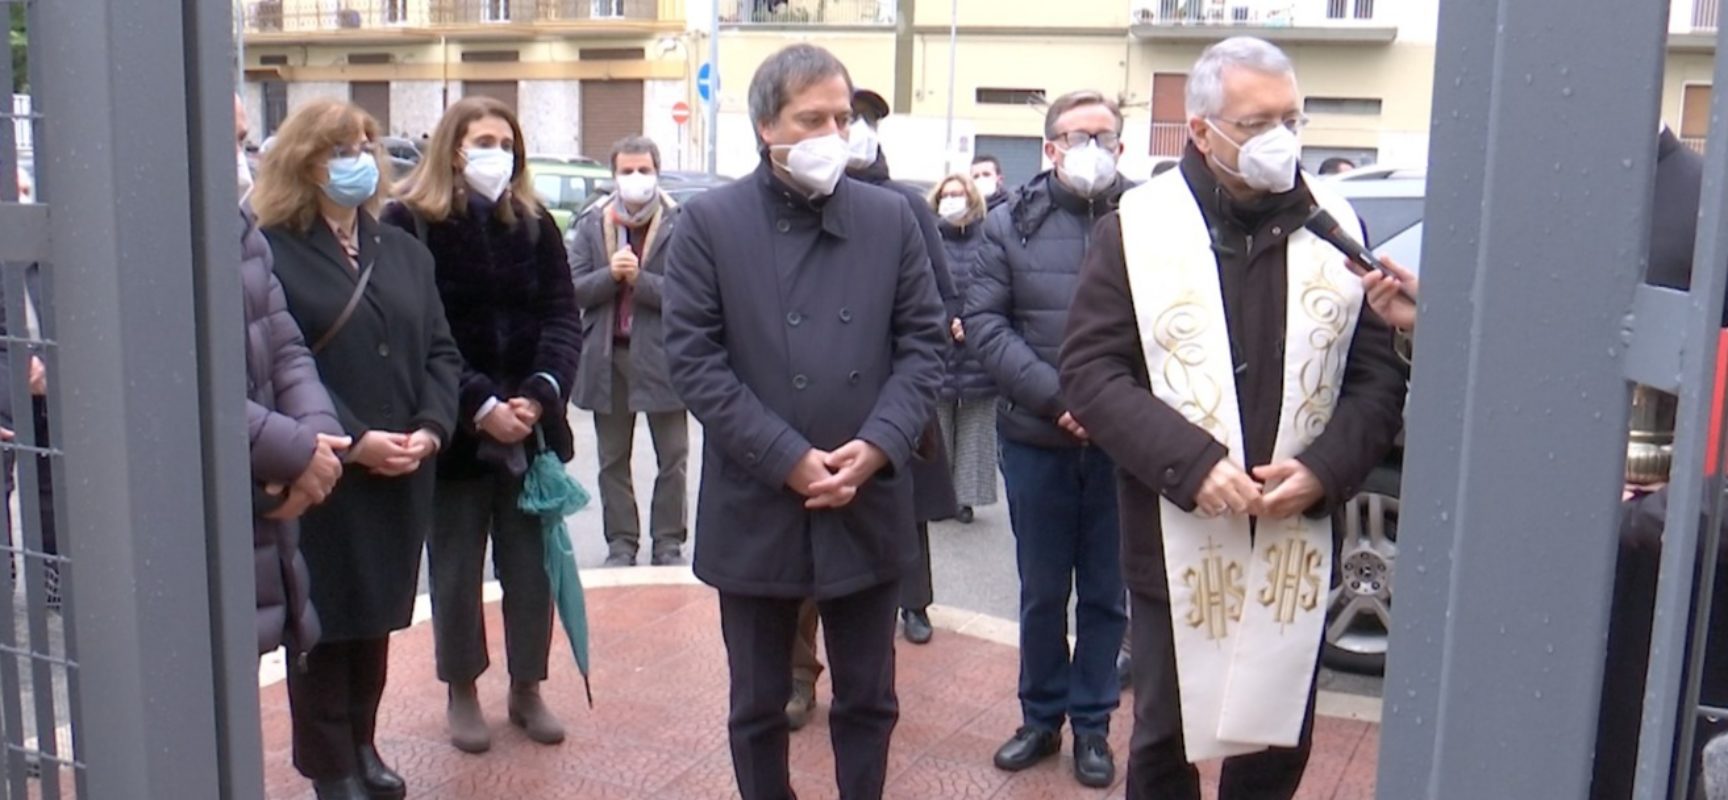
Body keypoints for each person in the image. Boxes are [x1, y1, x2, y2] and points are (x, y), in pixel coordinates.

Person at [1059, 38, 1406, 800]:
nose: (1279, 137)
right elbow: (1090, 372)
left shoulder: (1334, 224)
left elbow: (1377, 377)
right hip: (1175, 528)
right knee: (1165, 738)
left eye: (1292, 117)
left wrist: (1322, 471)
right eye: (1255, 123)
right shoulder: (1137, 227)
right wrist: (1190, 463)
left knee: (1277, 740)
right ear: (1201, 129)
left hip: (1296, 534)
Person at [662, 43, 946, 800]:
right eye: (810, 118)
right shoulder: (709, 223)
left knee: (869, 700)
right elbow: (694, 361)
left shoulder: (893, 218)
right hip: (757, 499)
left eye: (841, 118)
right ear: (765, 126)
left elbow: (925, 348)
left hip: (868, 496)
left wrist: (880, 446)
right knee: (757, 705)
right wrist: (786, 456)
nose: (832, 134)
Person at [256, 99, 463, 800]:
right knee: (324, 622)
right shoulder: (272, 248)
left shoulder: (401, 248)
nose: (361, 159)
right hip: (327, 466)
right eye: (342, 148)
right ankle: (330, 765)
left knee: (375, 615)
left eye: (368, 144)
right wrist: (356, 441)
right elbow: (282, 363)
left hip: (403, 468)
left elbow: (440, 348)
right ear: (305, 161)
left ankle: (365, 743)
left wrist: (432, 428)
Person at [384, 95, 583, 755]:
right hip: (452, 430)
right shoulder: (408, 223)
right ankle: (461, 687)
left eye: (506, 141)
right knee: (456, 565)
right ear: (451, 146)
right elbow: (414, 328)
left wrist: (538, 396)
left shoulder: (533, 223)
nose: (496, 153)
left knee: (532, 568)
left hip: (529, 431)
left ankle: (528, 685)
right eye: (482, 140)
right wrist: (479, 405)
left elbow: (562, 316)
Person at [962, 88, 1132, 788]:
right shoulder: (1010, 224)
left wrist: (1114, 408)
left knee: (1105, 595)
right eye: (1075, 134)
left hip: (1125, 445)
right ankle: (1040, 716)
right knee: (1039, 591)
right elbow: (984, 322)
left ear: (1121, 145)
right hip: (1036, 435)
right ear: (1050, 147)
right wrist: (1060, 398)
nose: (1089, 147)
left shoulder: (1153, 219)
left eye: (1103, 135)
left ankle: (1092, 726)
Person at [780, 87, 959, 730]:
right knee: (794, 563)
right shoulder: (777, 209)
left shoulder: (902, 207)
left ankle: (908, 615)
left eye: (851, 122)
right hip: (799, 422)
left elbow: (933, 310)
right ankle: (798, 675)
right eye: (825, 120)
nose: (841, 133)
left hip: (885, 413)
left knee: (887, 543)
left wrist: (891, 420)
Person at [235, 95, 346, 665]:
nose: (240, 159)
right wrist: (298, 452)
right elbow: (183, 390)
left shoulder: (240, 230)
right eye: (226, 141)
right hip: (204, 514)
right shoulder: (144, 244)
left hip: (267, 485)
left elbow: (286, 346)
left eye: (243, 140)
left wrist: (317, 438)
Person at [568, 135, 690, 569]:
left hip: (665, 360)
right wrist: (611, 275)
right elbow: (574, 290)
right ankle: (621, 542)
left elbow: (689, 295)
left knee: (673, 456)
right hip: (608, 357)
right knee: (611, 458)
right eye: (627, 170)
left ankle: (668, 542)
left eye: (643, 170)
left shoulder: (681, 223)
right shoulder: (591, 223)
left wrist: (640, 281)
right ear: (613, 175)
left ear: (657, 171)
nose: (636, 178)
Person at [928, 173, 999, 524]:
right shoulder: (926, 237)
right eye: (946, 194)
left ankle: (965, 499)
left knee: (975, 423)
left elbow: (996, 286)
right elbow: (916, 288)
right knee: (937, 423)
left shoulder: (989, 239)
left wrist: (972, 323)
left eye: (959, 194)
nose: (952, 200)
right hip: (936, 345)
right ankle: (937, 494)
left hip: (978, 344)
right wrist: (942, 323)